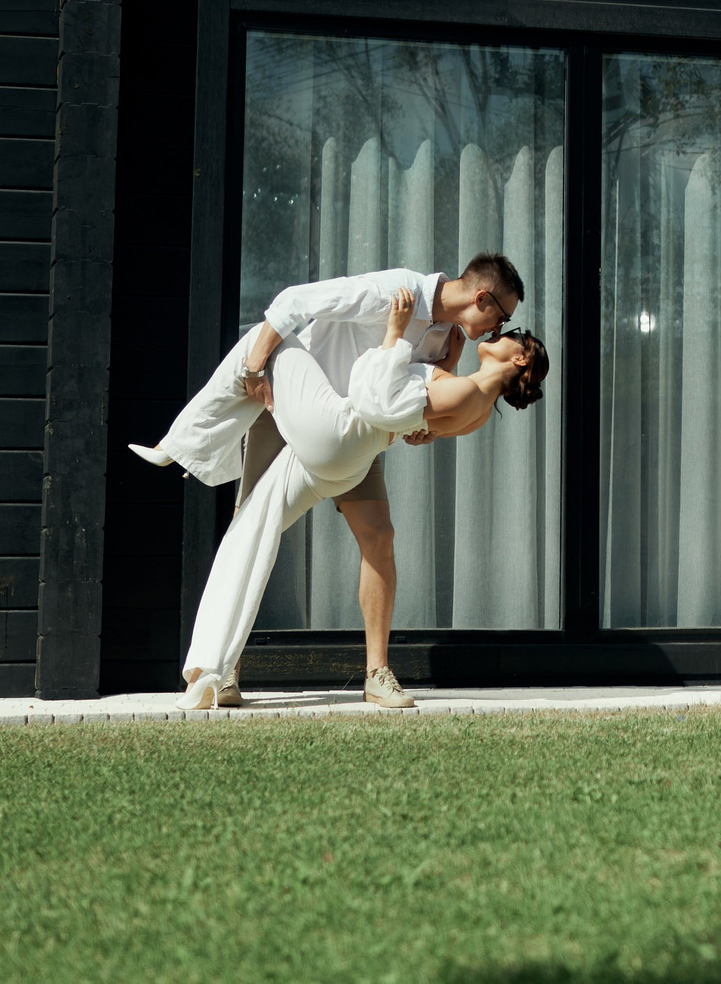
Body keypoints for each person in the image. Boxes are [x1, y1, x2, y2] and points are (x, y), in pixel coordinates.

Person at [133, 254, 526, 705]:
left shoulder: (447, 339)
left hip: (349, 434)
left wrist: (424, 425)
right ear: (482, 298)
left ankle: (377, 674)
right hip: (293, 412)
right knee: (251, 524)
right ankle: (221, 672)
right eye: (503, 316)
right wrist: (258, 368)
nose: (500, 329)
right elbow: (296, 301)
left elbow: (415, 402)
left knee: (379, 537)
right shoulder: (396, 292)